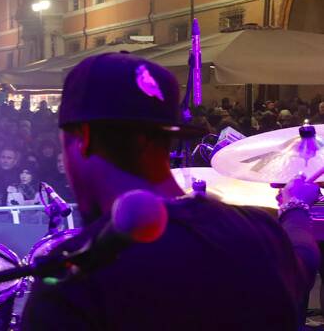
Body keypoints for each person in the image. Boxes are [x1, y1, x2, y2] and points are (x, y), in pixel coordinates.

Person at [21, 52, 319, 330]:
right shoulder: (259, 234)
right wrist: (295, 207)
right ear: (167, 138)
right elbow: (303, 259)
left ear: (82, 139)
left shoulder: (73, 277)